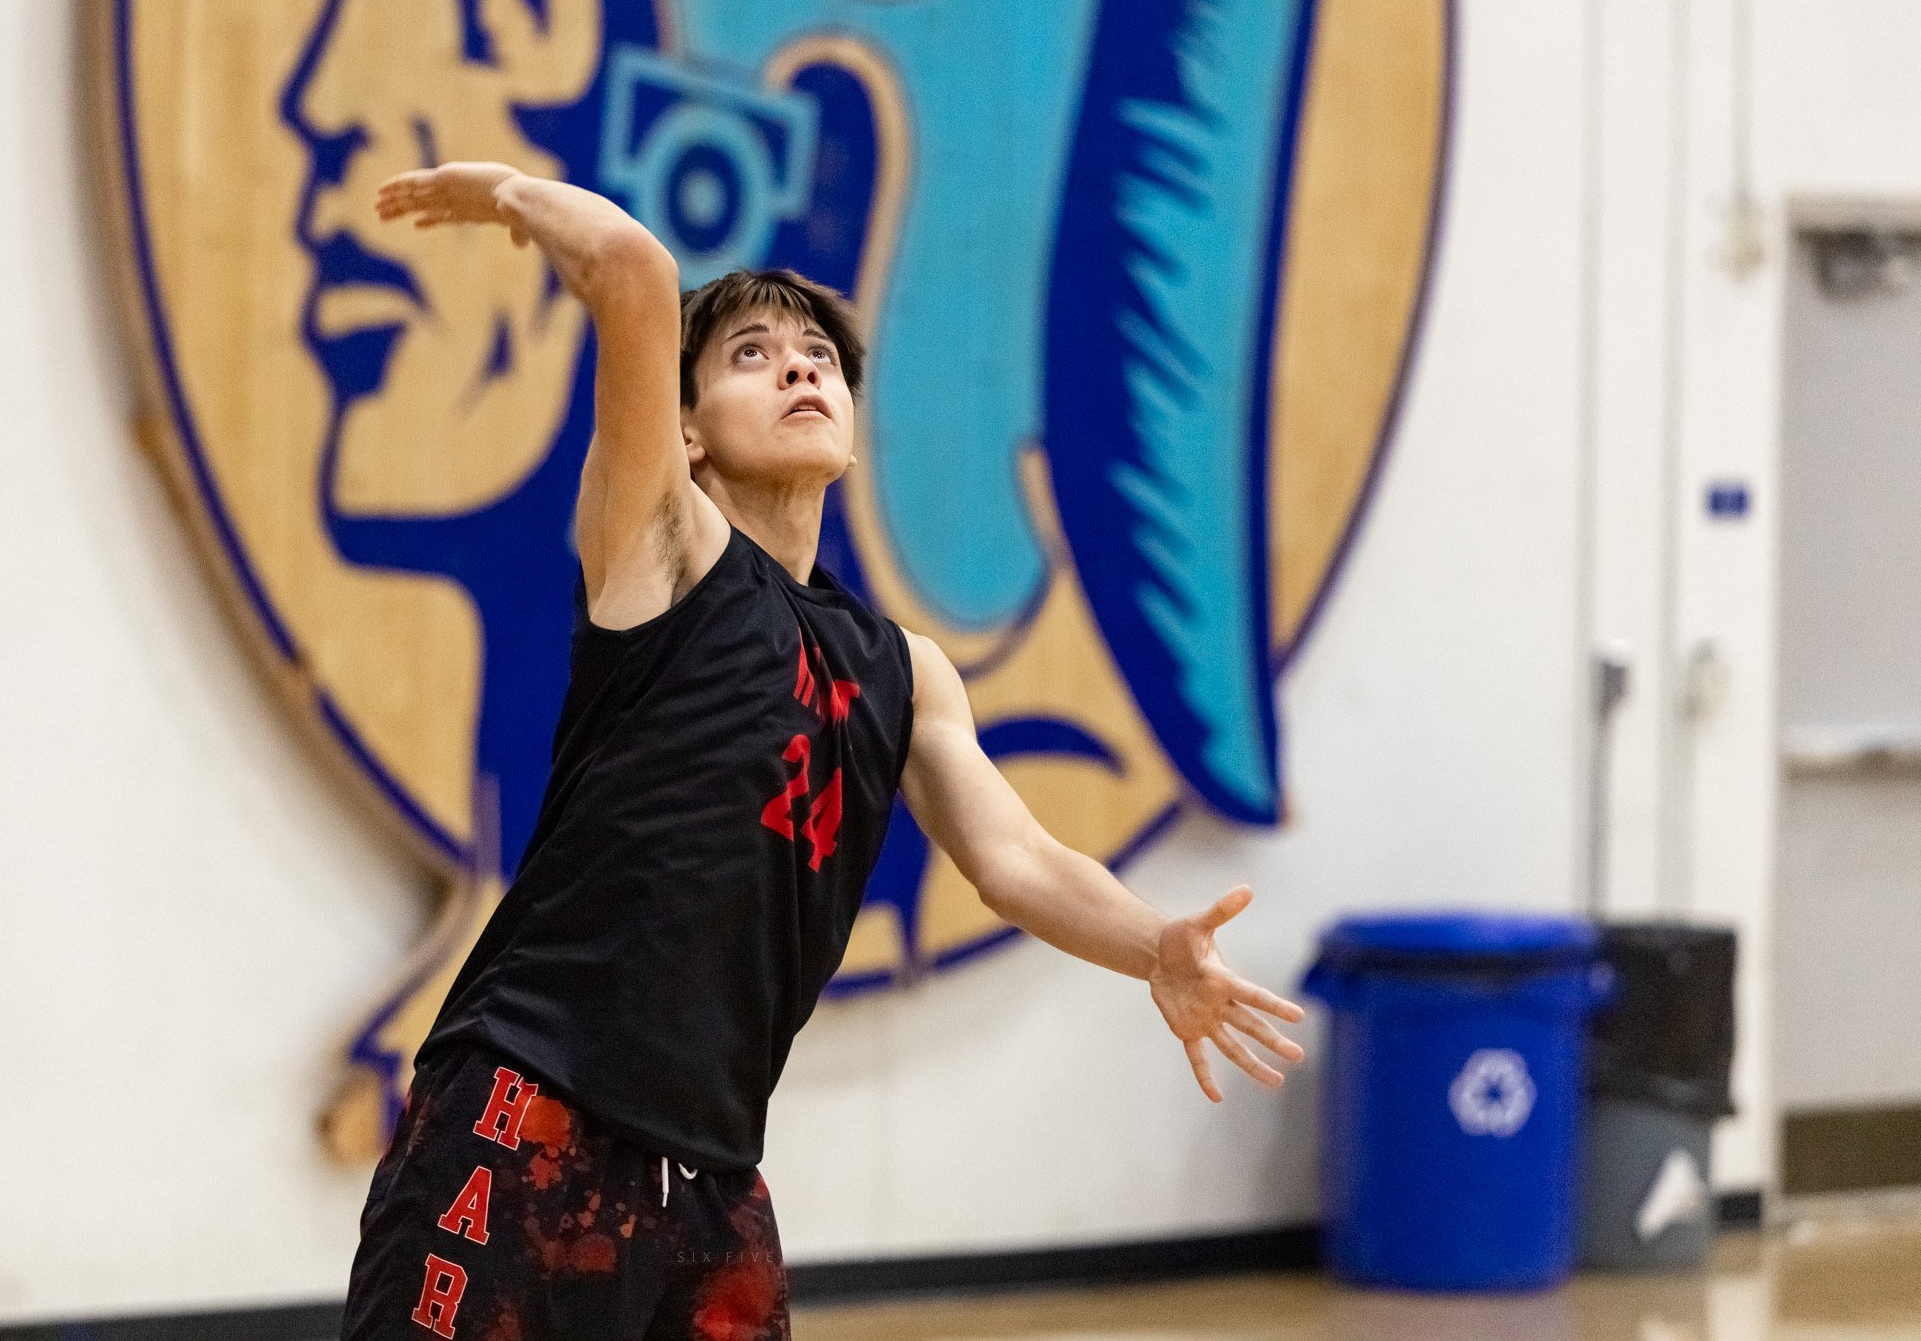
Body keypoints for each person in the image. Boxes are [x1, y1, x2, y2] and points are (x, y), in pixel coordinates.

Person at [339, 162, 1309, 1341]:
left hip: (711, 1176)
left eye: (819, 358)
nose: (800, 368)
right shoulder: (662, 547)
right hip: (530, 1098)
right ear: (686, 430)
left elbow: (1014, 860)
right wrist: (501, 189)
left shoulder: (905, 669)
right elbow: (634, 269)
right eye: (751, 353)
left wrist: (1153, 943)